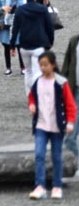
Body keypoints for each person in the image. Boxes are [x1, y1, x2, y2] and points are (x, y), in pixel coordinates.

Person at [28, 51, 76, 200]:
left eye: (45, 65)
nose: (43, 68)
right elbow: (32, 95)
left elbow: (70, 105)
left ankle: (57, 186)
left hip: (57, 126)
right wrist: (32, 105)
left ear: (53, 65)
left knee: (56, 156)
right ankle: (40, 186)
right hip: (41, 124)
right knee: (39, 155)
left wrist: (70, 122)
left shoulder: (61, 83)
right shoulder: (37, 81)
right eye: (41, 65)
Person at [14, 0, 56, 94]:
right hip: (39, 43)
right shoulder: (42, 9)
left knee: (28, 71)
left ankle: (30, 95)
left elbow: (15, 28)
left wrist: (12, 45)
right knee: (37, 72)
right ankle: (37, 95)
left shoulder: (20, 10)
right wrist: (51, 40)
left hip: (24, 44)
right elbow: (49, 27)